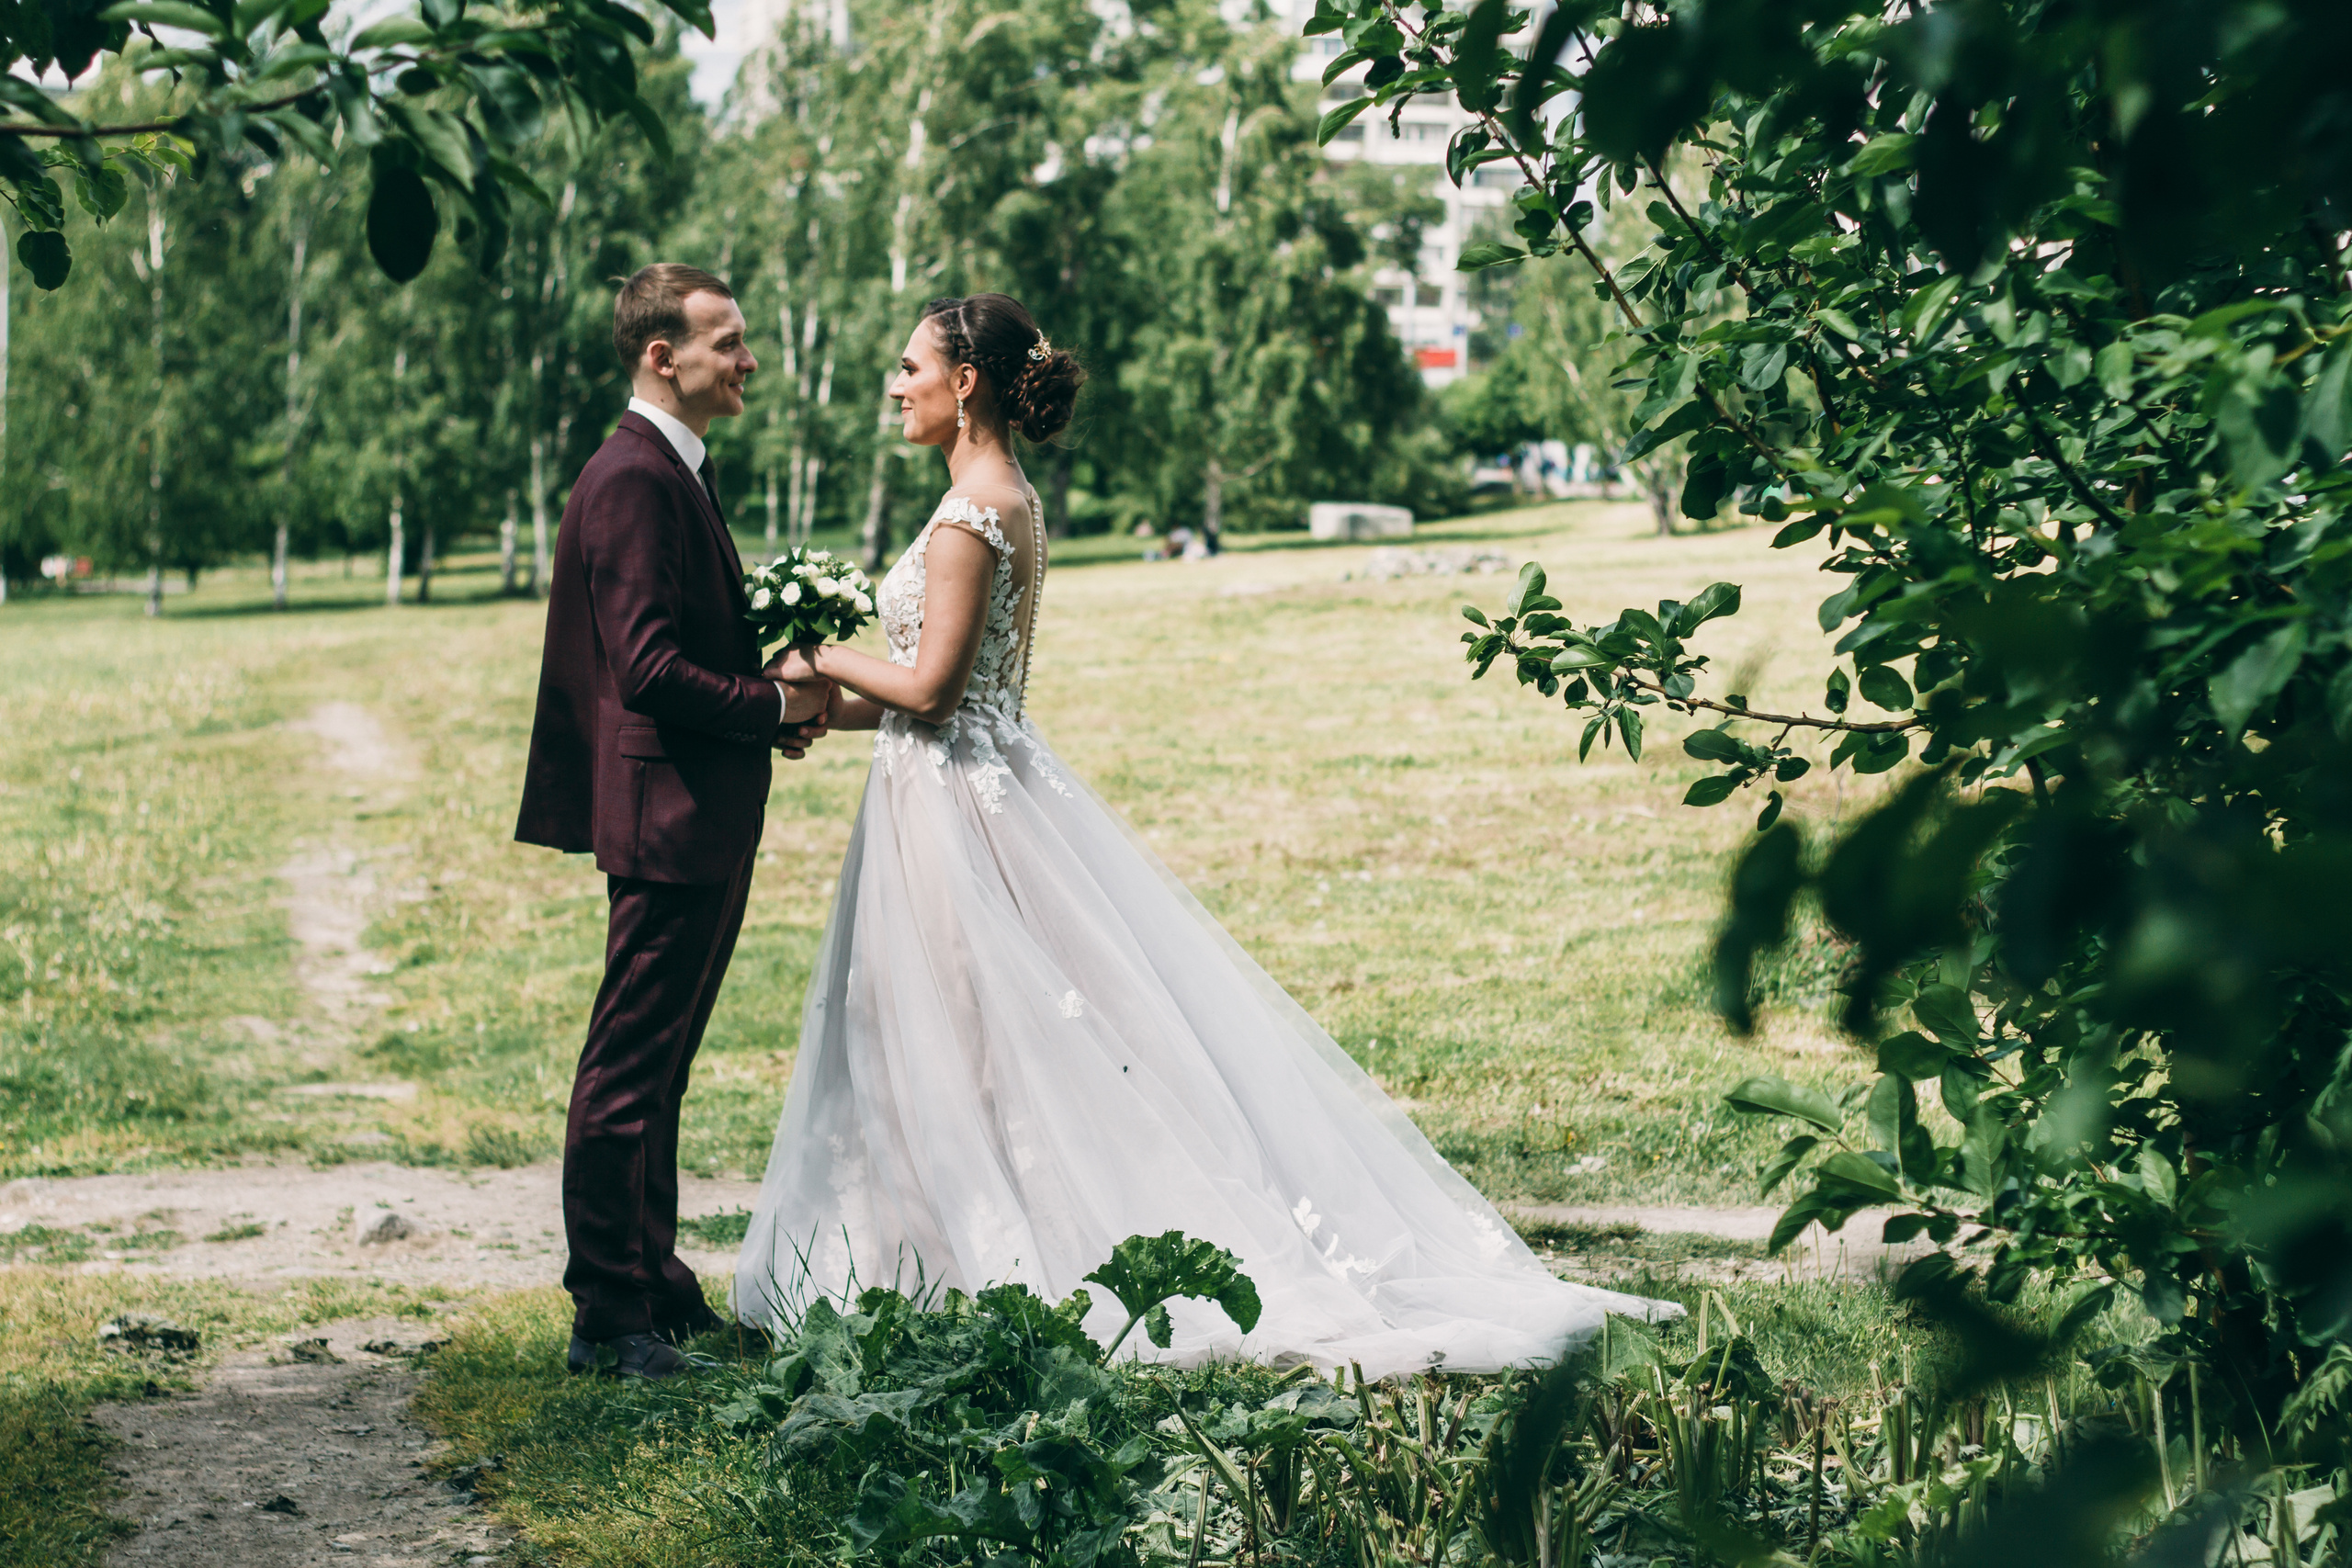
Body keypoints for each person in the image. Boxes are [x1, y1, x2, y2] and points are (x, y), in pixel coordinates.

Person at [739, 292, 1674, 1377]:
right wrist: (808, 705)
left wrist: (820, 657)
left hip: (955, 816)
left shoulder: (967, 514)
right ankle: (942, 1249)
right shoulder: (1003, 499)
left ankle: (989, 1258)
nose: (894, 386)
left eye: (908, 367)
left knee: (968, 1040)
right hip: (960, 791)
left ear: (965, 383)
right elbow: (943, 694)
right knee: (963, 1038)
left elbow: (937, 692)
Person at [514, 264, 833, 1381]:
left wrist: (762, 717)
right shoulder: (635, 478)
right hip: (664, 815)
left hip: (696, 807)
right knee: (629, 1068)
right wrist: (775, 706)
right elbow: (647, 669)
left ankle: (653, 1283)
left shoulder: (671, 470)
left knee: (663, 1066)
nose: (747, 361)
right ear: (664, 355)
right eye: (727, 342)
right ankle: (608, 1314)